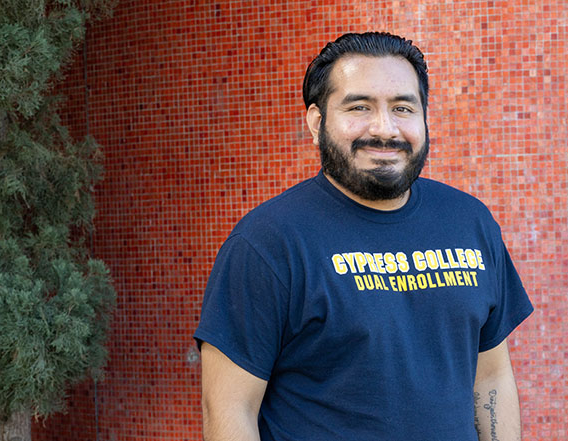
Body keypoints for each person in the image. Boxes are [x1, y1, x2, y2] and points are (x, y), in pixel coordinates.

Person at [195, 32, 534, 441]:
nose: (384, 128)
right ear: (317, 123)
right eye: (359, 106)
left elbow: (491, 378)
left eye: (403, 108)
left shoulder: (471, 222)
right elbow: (230, 408)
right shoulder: (267, 243)